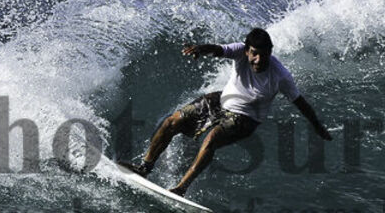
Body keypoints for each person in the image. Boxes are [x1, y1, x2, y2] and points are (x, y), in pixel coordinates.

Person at [119, 27, 332, 196]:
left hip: (246, 118)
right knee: (172, 121)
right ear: (247, 50)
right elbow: (219, 50)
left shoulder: (280, 76)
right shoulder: (240, 51)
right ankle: (144, 168)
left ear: (270, 52)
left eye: (264, 55)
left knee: (211, 139)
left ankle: (181, 188)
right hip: (220, 101)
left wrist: (317, 126)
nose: (258, 60)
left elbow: (300, 102)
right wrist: (201, 49)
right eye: (255, 54)